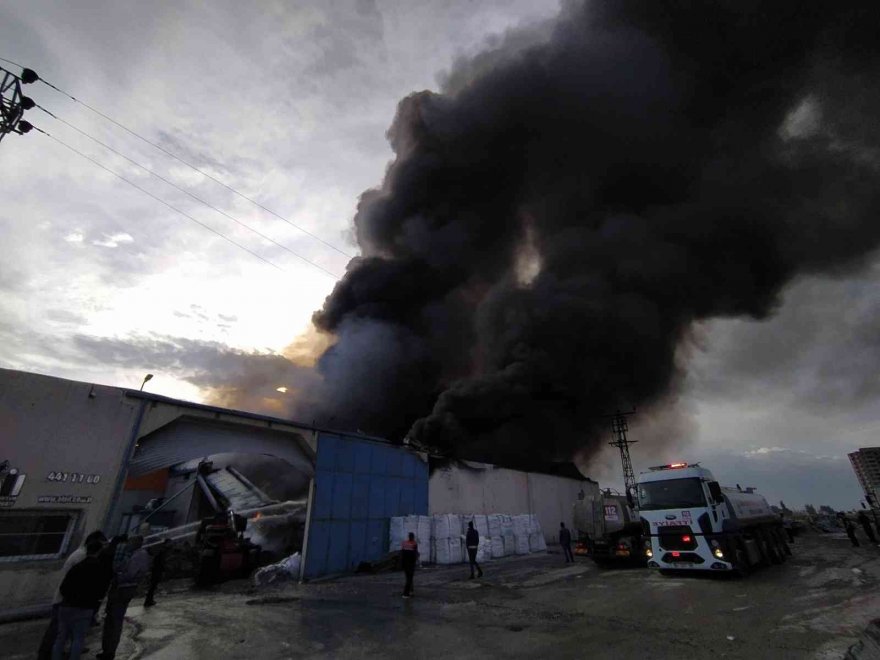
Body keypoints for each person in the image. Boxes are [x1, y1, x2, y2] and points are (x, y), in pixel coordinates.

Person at [38, 530, 107, 660]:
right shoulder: (82, 557)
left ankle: (53, 654)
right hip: (70, 601)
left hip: (68, 600)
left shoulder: (80, 555)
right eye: (101, 544)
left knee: (61, 634)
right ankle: (46, 654)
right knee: (60, 632)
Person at [52, 538, 114, 660]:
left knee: (60, 638)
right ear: (99, 551)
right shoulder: (100, 569)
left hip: (67, 605)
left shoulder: (77, 566)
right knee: (78, 638)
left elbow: (63, 587)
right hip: (85, 607)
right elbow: (101, 591)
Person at [98, 535, 150, 659]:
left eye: (131, 541)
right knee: (111, 618)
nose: (128, 544)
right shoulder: (134, 554)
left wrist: (118, 576)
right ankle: (107, 649)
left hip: (124, 590)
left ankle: (110, 651)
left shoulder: (139, 555)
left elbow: (131, 574)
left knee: (115, 620)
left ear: (137, 542)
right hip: (121, 589)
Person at [144, 539, 171, 607]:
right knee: (153, 586)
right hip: (157, 570)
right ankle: (148, 600)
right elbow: (161, 561)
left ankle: (149, 600)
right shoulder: (162, 550)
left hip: (156, 569)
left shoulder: (160, 550)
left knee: (153, 586)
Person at [401, 532, 418, 598]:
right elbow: (415, 554)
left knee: (408, 578)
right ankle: (405, 594)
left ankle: (411, 591)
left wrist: (401, 564)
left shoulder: (404, 543)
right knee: (409, 579)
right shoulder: (414, 544)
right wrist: (416, 561)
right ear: (413, 537)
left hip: (405, 564)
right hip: (411, 564)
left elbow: (402, 554)